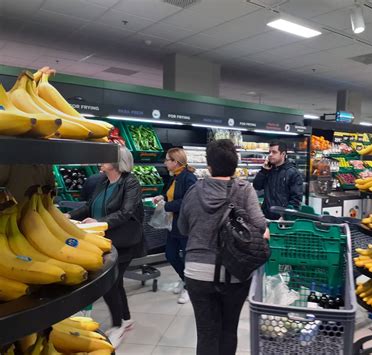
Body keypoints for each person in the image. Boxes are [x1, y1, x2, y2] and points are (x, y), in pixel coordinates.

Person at [178, 139, 267, 355]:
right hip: (234, 271)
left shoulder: (194, 190)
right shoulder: (244, 189)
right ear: (235, 165)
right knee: (228, 330)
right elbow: (260, 224)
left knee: (206, 333)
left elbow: (182, 227)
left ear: (209, 166)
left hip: (196, 271)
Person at [68, 146, 144, 349]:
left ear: (118, 162)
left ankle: (118, 325)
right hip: (104, 240)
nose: (100, 161)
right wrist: (68, 216)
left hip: (124, 241)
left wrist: (98, 222)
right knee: (115, 283)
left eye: (105, 158)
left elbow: (126, 212)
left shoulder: (131, 182)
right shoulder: (102, 181)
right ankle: (126, 320)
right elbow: (89, 206)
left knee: (111, 283)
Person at [153, 148, 197, 304]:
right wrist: (162, 197)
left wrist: (167, 206)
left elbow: (188, 201)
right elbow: (171, 194)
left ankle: (189, 287)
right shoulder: (174, 177)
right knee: (170, 254)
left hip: (185, 225)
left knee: (187, 257)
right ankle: (184, 279)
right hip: (173, 224)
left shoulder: (189, 178)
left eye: (167, 160)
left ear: (176, 162)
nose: (165, 163)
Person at [253, 141, 304, 220]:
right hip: (266, 217)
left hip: (283, 221)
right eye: (269, 152)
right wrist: (263, 171)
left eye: (274, 152)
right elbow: (257, 186)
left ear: (283, 154)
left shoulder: (293, 173)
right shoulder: (267, 171)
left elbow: (296, 200)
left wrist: (285, 217)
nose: (270, 155)